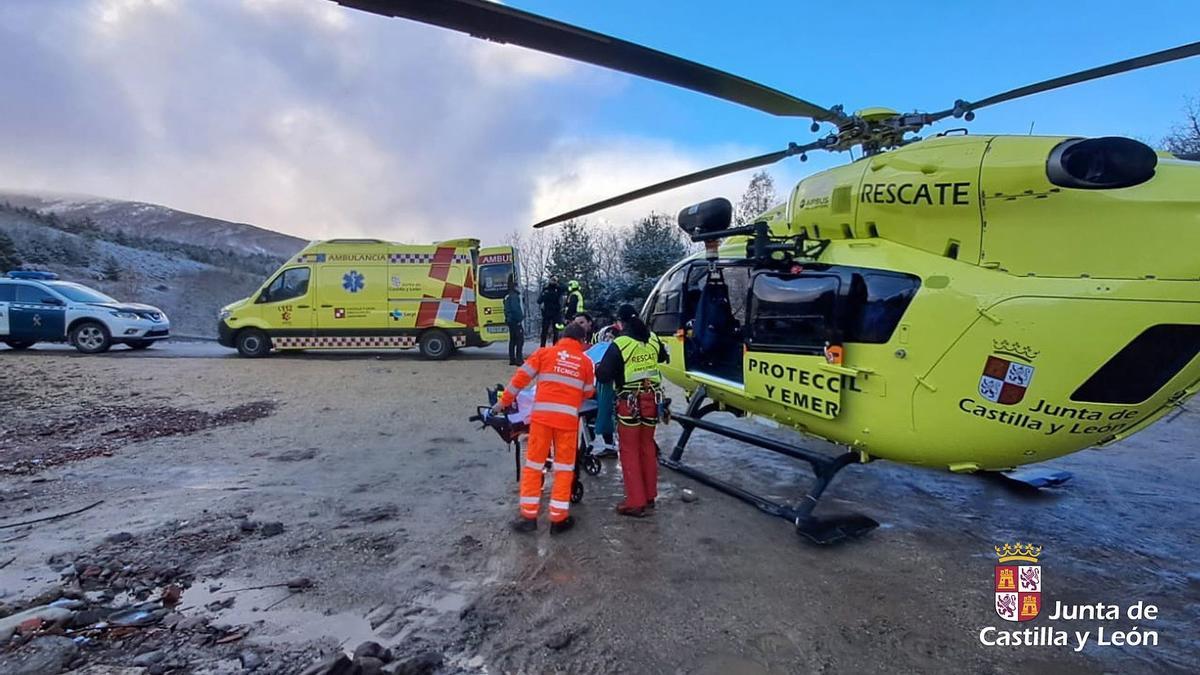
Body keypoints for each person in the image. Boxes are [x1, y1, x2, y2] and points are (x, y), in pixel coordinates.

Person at [493, 322, 595, 534]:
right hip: (566, 423)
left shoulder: (544, 353)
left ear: (562, 337)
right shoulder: (586, 362)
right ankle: (558, 520)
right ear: (582, 341)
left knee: (534, 466)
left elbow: (519, 380)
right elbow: (587, 393)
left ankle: (529, 517)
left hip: (541, 420)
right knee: (564, 469)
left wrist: (503, 403)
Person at [596, 304, 668, 517]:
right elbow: (663, 357)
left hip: (630, 403)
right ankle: (649, 496)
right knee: (647, 447)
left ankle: (635, 502)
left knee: (629, 451)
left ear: (620, 323)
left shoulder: (621, 343)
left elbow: (604, 375)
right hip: (652, 401)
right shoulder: (653, 338)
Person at [503, 281, 525, 366]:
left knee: (512, 340)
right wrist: (520, 318)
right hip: (515, 321)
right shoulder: (514, 296)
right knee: (520, 340)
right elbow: (515, 309)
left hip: (509, 320)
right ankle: (519, 359)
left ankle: (512, 359)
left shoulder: (507, 296)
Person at [538, 276, 563, 346]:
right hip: (547, 313)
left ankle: (555, 347)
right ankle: (542, 348)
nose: (553, 281)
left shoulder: (558, 289)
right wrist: (545, 295)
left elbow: (565, 288)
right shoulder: (546, 289)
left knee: (556, 332)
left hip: (556, 314)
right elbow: (539, 300)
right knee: (544, 332)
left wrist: (558, 282)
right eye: (552, 280)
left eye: (555, 280)